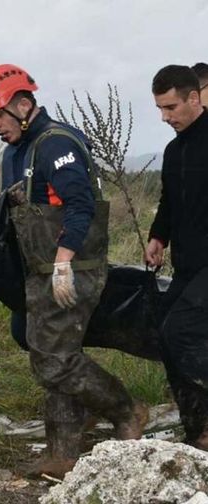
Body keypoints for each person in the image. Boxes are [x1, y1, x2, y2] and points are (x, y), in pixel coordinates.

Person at [0, 64, 148, 478]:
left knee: (53, 360)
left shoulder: (56, 143)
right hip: (40, 268)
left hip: (71, 268)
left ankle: (126, 409)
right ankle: (62, 452)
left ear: (23, 105)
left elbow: (80, 203)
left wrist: (64, 260)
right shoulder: (20, 150)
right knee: (52, 352)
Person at [146, 64, 208, 450]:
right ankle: (198, 431)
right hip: (188, 263)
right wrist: (158, 237)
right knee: (164, 335)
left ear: (194, 98)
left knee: (181, 331)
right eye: (160, 109)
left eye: (171, 107)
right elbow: (168, 201)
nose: (165, 117)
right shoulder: (173, 150)